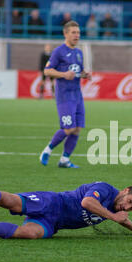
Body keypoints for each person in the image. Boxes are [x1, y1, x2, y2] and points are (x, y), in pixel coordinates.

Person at [0, 183, 132, 239]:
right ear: (125, 191)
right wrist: (114, 216)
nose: (126, 208)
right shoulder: (105, 189)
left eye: (131, 208)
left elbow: (121, 219)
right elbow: (87, 203)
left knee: (30, 234)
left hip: (54, 224)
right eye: (129, 201)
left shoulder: (116, 210)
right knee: (11, 201)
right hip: (52, 203)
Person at [39, 21, 91, 168]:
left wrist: (84, 74)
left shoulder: (79, 53)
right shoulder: (58, 51)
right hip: (64, 95)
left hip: (77, 95)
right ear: (65, 34)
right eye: (73, 32)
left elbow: (77, 72)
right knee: (68, 128)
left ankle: (64, 160)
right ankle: (47, 150)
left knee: (77, 128)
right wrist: (62, 74)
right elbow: (47, 71)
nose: (77, 35)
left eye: (78, 33)